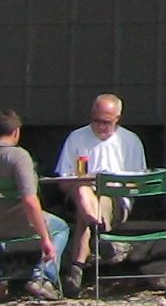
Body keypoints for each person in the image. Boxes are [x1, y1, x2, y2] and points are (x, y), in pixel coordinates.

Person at [0, 110, 68, 300]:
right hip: (22, 225)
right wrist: (44, 238)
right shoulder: (18, 156)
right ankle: (42, 277)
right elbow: (29, 199)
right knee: (61, 228)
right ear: (16, 132)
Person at [54, 95, 150, 283]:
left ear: (118, 118)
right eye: (97, 121)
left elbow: (138, 184)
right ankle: (97, 230)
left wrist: (107, 185)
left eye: (107, 122)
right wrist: (85, 183)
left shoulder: (130, 141)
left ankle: (76, 268)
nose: (101, 127)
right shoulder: (77, 138)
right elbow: (63, 181)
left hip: (116, 198)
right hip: (79, 198)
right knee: (82, 188)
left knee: (90, 207)